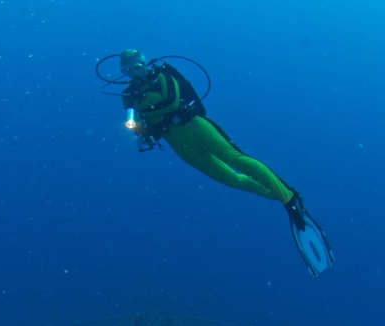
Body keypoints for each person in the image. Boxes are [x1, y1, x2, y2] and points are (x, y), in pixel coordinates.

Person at [117, 49, 334, 277]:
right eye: (128, 70)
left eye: (137, 67)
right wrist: (141, 131)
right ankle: (275, 195)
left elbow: (172, 102)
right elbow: (141, 126)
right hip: (178, 143)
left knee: (236, 159)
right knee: (230, 179)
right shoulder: (128, 97)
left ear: (144, 63)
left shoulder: (160, 73)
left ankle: (290, 198)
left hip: (195, 125)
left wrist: (146, 111)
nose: (133, 73)